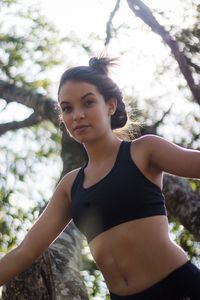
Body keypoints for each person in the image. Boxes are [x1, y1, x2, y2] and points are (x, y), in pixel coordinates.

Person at [0, 55, 200, 300]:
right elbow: (25, 252)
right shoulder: (70, 186)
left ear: (110, 105)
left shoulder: (143, 151)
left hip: (181, 288)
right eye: (67, 108)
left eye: (88, 103)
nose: (78, 115)